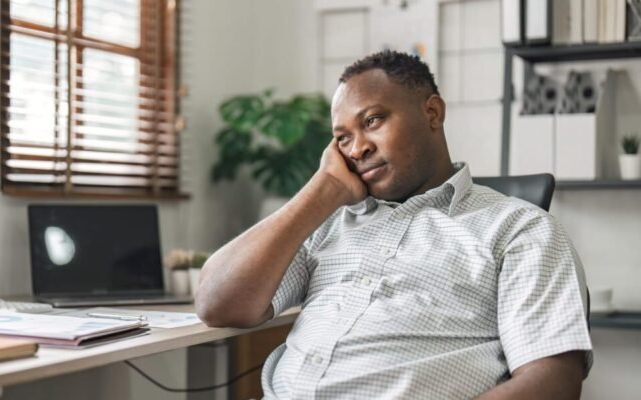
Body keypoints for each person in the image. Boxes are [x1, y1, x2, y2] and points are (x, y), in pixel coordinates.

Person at [195, 50, 592, 399]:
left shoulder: (518, 229)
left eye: (372, 121)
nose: (358, 148)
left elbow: (552, 381)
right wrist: (322, 190)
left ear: (432, 112)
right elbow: (216, 304)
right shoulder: (327, 225)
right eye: (342, 139)